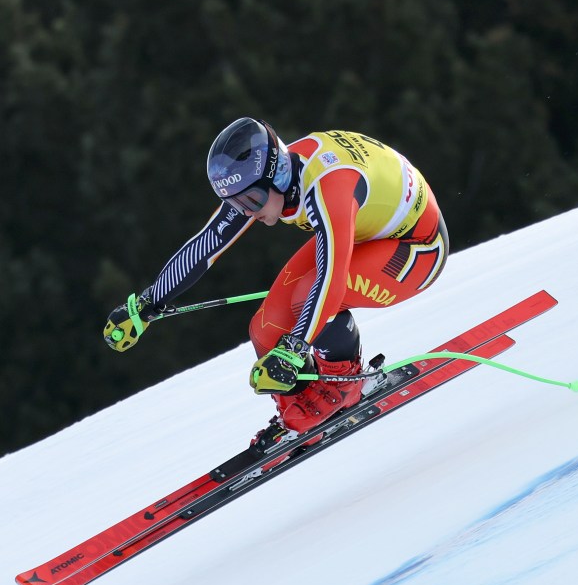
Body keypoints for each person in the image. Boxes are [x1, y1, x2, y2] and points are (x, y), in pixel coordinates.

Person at [104, 117, 449, 437]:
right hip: (367, 236)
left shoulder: (329, 188)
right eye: (237, 203)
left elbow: (331, 279)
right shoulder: (264, 182)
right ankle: (306, 403)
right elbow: (208, 243)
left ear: (278, 174)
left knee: (304, 300)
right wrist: (148, 303)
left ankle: (345, 384)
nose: (247, 211)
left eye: (251, 200)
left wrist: (295, 349)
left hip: (417, 250)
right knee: (265, 329)